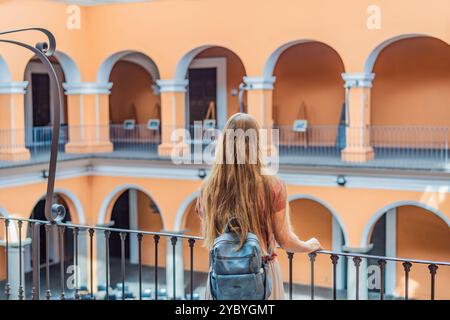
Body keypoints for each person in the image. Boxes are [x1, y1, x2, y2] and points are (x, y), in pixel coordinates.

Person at [196, 113, 323, 300]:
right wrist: (308, 246)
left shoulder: (208, 187)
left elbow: (209, 231)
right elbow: (285, 240)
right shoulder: (272, 185)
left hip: (221, 277)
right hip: (261, 277)